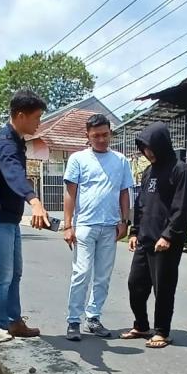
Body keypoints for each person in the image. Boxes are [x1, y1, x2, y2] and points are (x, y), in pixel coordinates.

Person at [0, 89, 52, 337]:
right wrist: (35, 201)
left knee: (14, 272)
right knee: (2, 274)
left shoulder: (16, 141)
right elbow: (14, 174)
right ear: (20, 115)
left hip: (9, 217)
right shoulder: (5, 144)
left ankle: (13, 321)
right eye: (37, 117)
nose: (39, 123)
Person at [62, 114, 133, 341]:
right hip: (84, 225)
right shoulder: (78, 159)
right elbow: (70, 193)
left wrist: (124, 220)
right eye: (96, 136)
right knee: (81, 273)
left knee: (103, 276)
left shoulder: (121, 161)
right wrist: (68, 225)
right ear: (87, 136)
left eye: (104, 135)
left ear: (110, 133)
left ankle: (93, 317)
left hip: (110, 226)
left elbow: (124, 192)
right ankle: (74, 320)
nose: (101, 139)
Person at [121, 123, 187, 349]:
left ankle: (162, 331)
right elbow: (141, 204)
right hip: (145, 238)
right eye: (144, 148)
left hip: (166, 242)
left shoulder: (180, 170)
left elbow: (182, 208)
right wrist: (134, 231)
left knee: (163, 287)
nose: (148, 153)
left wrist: (169, 235)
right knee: (135, 284)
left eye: (151, 148)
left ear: (162, 145)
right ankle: (141, 325)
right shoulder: (147, 172)